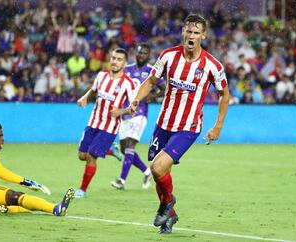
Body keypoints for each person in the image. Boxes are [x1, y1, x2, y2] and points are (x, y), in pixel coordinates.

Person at [130, 14, 229, 234]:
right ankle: (170, 215)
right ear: (183, 32)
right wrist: (137, 97)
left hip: (189, 126)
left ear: (203, 35)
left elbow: (224, 94)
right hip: (164, 122)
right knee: (159, 172)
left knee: (157, 167)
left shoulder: (212, 65)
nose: (191, 36)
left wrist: (218, 125)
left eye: (196, 32)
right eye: (188, 31)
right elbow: (151, 81)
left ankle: (166, 204)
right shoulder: (168, 56)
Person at [0, 122, 74, 215]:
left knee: (14, 206)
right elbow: (0, 172)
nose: (3, 139)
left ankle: (3, 210)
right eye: (0, 135)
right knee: (15, 196)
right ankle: (55, 208)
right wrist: (25, 181)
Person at [74, 48, 135, 198]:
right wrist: (85, 97)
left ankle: (82, 190)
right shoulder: (101, 76)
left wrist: (121, 111)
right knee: (82, 155)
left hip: (110, 126)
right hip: (94, 121)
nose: (115, 61)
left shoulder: (128, 83)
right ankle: (110, 150)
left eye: (119, 59)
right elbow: (93, 90)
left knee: (90, 156)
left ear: (125, 63)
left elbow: (134, 108)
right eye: (113, 58)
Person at [110, 43, 164, 190]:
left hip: (140, 113)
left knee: (130, 145)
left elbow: (164, 89)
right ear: (136, 54)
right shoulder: (127, 70)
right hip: (125, 112)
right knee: (123, 148)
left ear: (149, 55)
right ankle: (147, 172)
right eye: (140, 53)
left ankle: (121, 180)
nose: (142, 55)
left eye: (145, 53)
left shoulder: (152, 71)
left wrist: (150, 96)